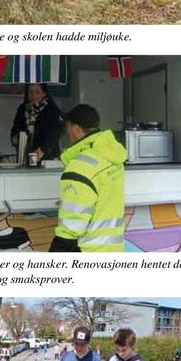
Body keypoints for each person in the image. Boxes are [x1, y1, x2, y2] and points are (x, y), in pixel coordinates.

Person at [50, 103, 126, 252]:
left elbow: (71, 228)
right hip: (113, 250)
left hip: (87, 250)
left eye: (68, 126)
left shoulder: (79, 167)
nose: (67, 131)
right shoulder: (112, 158)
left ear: (77, 129)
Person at [10, 83, 64, 164]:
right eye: (30, 92)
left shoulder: (52, 110)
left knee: (40, 174)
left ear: (44, 93)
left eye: (37, 92)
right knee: (27, 173)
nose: (33, 95)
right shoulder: (23, 109)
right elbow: (15, 128)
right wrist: (15, 138)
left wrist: (42, 150)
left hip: (47, 155)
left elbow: (55, 133)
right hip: (27, 154)